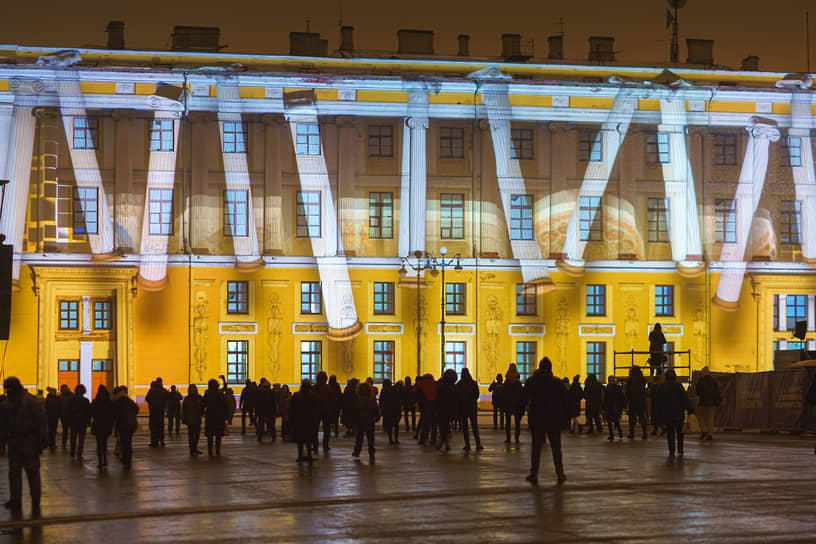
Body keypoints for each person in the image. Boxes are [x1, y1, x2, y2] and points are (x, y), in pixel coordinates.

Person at [3, 377, 46, 518]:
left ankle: (35, 500)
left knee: (32, 472)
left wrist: (41, 442)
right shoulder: (7, 403)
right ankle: (15, 499)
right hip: (14, 442)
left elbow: (40, 423)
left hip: (29, 441)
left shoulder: (31, 402)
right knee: (14, 473)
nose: (8, 393)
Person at [523, 358, 568, 486]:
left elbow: (523, 398)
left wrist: (522, 411)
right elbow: (565, 401)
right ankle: (560, 473)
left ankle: (534, 474)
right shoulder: (557, 383)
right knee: (556, 448)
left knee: (536, 448)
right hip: (554, 419)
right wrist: (565, 419)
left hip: (537, 419)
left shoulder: (532, 382)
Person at [655, 369, 694, 458]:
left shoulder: (662, 387)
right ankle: (680, 449)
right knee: (680, 432)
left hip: (667, 413)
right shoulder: (678, 386)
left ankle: (671, 450)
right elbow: (685, 399)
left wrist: (658, 414)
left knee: (670, 432)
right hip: (678, 413)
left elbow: (658, 401)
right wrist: (690, 409)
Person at [290, 379, 318, 462]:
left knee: (300, 440)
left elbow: (292, 409)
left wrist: (292, 419)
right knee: (309, 439)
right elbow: (316, 409)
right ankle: (309, 455)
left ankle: (300, 455)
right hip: (309, 420)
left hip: (299, 420)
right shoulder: (313, 396)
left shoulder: (296, 395)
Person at [113, 386, 139, 470]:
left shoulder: (118, 401)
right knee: (128, 442)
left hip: (122, 424)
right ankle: (128, 459)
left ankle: (126, 459)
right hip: (130, 424)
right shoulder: (129, 401)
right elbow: (136, 409)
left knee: (124, 442)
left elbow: (114, 413)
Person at [457, 368, 483, 451]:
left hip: (463, 408)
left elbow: (457, 395)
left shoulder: (460, 384)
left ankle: (467, 445)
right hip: (472, 407)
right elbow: (476, 395)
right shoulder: (473, 383)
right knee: (474, 426)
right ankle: (478, 444)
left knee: (465, 428)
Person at [353, 381, 379, 462]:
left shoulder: (358, 399)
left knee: (359, 437)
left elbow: (356, 410)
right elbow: (375, 408)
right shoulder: (371, 399)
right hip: (370, 420)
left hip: (361, 420)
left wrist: (355, 420)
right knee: (370, 438)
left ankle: (357, 451)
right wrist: (377, 416)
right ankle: (371, 453)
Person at [90, 385, 114, 469]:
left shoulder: (95, 401)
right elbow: (112, 414)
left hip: (98, 424)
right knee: (104, 443)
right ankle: (105, 459)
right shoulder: (109, 401)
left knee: (99, 444)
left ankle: (100, 461)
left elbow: (92, 412)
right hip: (106, 425)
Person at [202, 379, 228, 457]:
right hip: (219, 417)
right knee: (218, 435)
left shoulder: (207, 393)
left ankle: (210, 451)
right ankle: (217, 450)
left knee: (210, 436)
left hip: (210, 416)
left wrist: (202, 411)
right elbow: (225, 405)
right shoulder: (220, 393)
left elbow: (204, 403)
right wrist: (226, 416)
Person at [694, 366, 721, 441]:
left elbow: (697, 392)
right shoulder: (713, 381)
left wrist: (697, 402)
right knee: (710, 419)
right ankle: (710, 434)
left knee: (701, 417)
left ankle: (704, 431)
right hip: (712, 403)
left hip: (702, 403)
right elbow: (717, 392)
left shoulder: (700, 381)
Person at [436, 370, 459, 452]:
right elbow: (456, 400)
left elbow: (438, 399)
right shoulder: (455, 388)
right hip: (450, 410)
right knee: (445, 427)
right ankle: (444, 444)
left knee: (443, 428)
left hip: (442, 410)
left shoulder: (441, 387)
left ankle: (443, 443)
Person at [314, 371, 335, 451]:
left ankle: (315, 445)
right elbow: (332, 401)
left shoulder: (314, 387)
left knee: (315, 429)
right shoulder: (328, 388)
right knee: (326, 429)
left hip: (316, 411)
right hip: (326, 411)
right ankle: (325, 445)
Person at [625, 366, 648, 440]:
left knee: (631, 418)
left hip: (632, 401)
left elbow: (627, 391)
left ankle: (632, 434)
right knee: (642, 417)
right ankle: (644, 433)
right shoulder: (642, 380)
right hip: (641, 401)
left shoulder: (630, 380)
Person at [415, 374, 438, 446]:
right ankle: (433, 440)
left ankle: (423, 439)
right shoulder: (436, 384)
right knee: (434, 424)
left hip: (424, 405)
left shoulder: (420, 384)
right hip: (434, 405)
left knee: (425, 424)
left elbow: (414, 392)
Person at [69, 384, 91, 460]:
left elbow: (68, 411)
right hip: (82, 422)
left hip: (73, 421)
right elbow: (88, 412)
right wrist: (88, 422)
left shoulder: (71, 400)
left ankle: (72, 453)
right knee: (81, 439)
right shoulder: (86, 401)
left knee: (73, 438)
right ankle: (79, 454)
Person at [503, 365, 524, 444]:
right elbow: (521, 394)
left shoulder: (507, 382)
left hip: (508, 404)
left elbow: (504, 393)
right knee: (517, 423)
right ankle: (517, 438)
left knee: (508, 422)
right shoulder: (518, 383)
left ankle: (508, 438)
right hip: (517, 404)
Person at [145, 378, 168, 447]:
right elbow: (167, 397)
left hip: (153, 411)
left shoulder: (152, 390)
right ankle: (161, 441)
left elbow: (147, 399)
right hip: (161, 411)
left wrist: (152, 403)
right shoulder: (163, 390)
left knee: (153, 427)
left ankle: (154, 442)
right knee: (160, 427)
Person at [181, 384, 203, 456]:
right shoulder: (187, 399)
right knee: (191, 435)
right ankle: (192, 449)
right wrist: (184, 418)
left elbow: (202, 406)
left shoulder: (199, 397)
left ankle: (195, 448)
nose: (192, 390)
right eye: (191, 389)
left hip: (197, 418)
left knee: (197, 435)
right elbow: (184, 409)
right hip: (190, 419)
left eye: (194, 389)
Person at [379, 379, 402, 445]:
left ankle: (390, 439)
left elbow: (381, 401)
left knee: (389, 426)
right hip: (395, 410)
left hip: (388, 410)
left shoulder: (384, 391)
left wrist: (382, 409)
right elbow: (398, 399)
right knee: (396, 425)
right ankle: (396, 439)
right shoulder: (395, 390)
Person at [603, 375, 624, 441]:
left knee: (610, 421)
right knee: (616, 420)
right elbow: (621, 396)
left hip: (609, 405)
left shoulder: (609, 387)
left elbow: (606, 397)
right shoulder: (617, 387)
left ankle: (611, 434)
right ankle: (620, 433)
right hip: (615, 405)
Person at [45, 387, 60, 451]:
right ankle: (51, 444)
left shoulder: (48, 398)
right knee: (52, 431)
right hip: (53, 416)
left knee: (51, 431)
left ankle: (51, 443)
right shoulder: (55, 398)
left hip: (50, 416)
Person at [58, 384, 73, 450]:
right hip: (66, 416)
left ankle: (65, 443)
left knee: (66, 431)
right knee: (68, 431)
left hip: (66, 416)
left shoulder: (61, 397)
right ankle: (67, 443)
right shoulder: (72, 396)